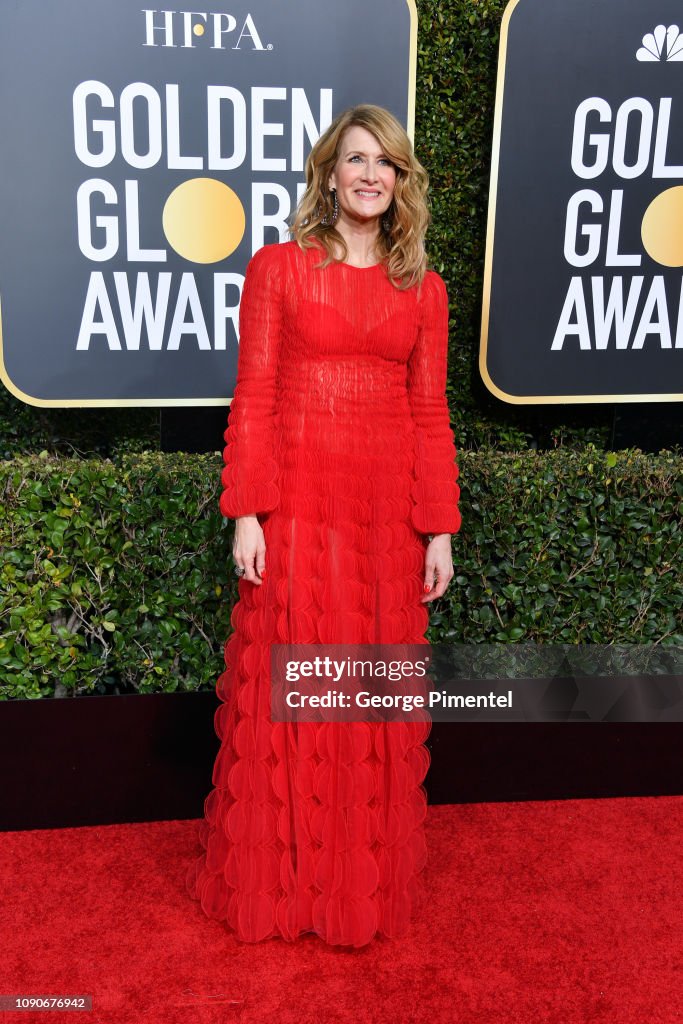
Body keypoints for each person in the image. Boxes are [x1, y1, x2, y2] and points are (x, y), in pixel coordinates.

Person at [186, 104, 462, 948]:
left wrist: (438, 528)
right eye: (355, 160)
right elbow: (256, 392)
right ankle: (290, 882)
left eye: (385, 162)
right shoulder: (278, 269)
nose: (370, 175)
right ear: (328, 175)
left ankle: (352, 883)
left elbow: (429, 413)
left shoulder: (424, 289)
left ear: (401, 179)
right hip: (300, 508)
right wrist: (247, 511)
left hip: (384, 518)